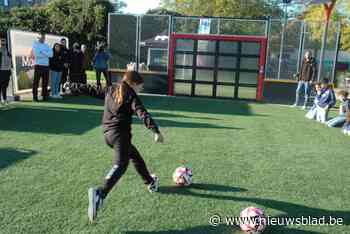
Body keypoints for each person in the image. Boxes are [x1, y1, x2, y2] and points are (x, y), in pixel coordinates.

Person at [88, 71, 164, 222]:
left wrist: (73, 86)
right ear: (133, 84)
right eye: (140, 87)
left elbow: (92, 90)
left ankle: (150, 182)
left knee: (134, 156)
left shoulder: (111, 89)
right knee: (121, 164)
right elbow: (143, 113)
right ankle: (100, 194)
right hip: (119, 136)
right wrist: (155, 131)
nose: (140, 90)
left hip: (108, 135)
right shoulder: (131, 95)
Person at [31, 33, 53, 102]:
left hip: (46, 66)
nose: (43, 38)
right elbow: (36, 54)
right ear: (38, 37)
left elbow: (51, 55)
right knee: (36, 82)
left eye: (44, 37)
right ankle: (35, 97)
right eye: (42, 37)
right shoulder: (35, 44)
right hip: (38, 65)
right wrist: (46, 53)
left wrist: (42, 52)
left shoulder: (47, 45)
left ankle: (44, 96)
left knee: (45, 82)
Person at [0, 38, 12, 105]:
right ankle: (2, 100)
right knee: (1, 86)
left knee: (5, 86)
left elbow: (10, 61)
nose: (3, 45)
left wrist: (10, 69)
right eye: (2, 44)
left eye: (4, 44)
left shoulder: (8, 52)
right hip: (1, 71)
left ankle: (4, 99)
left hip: (7, 71)